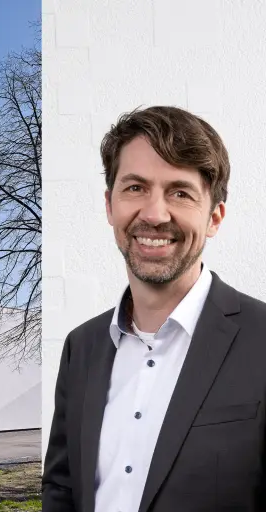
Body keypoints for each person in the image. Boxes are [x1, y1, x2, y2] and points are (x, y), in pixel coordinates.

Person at [41, 105, 266, 512]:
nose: (155, 214)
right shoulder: (81, 348)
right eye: (135, 188)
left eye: (180, 193)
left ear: (214, 218)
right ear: (110, 206)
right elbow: (61, 487)